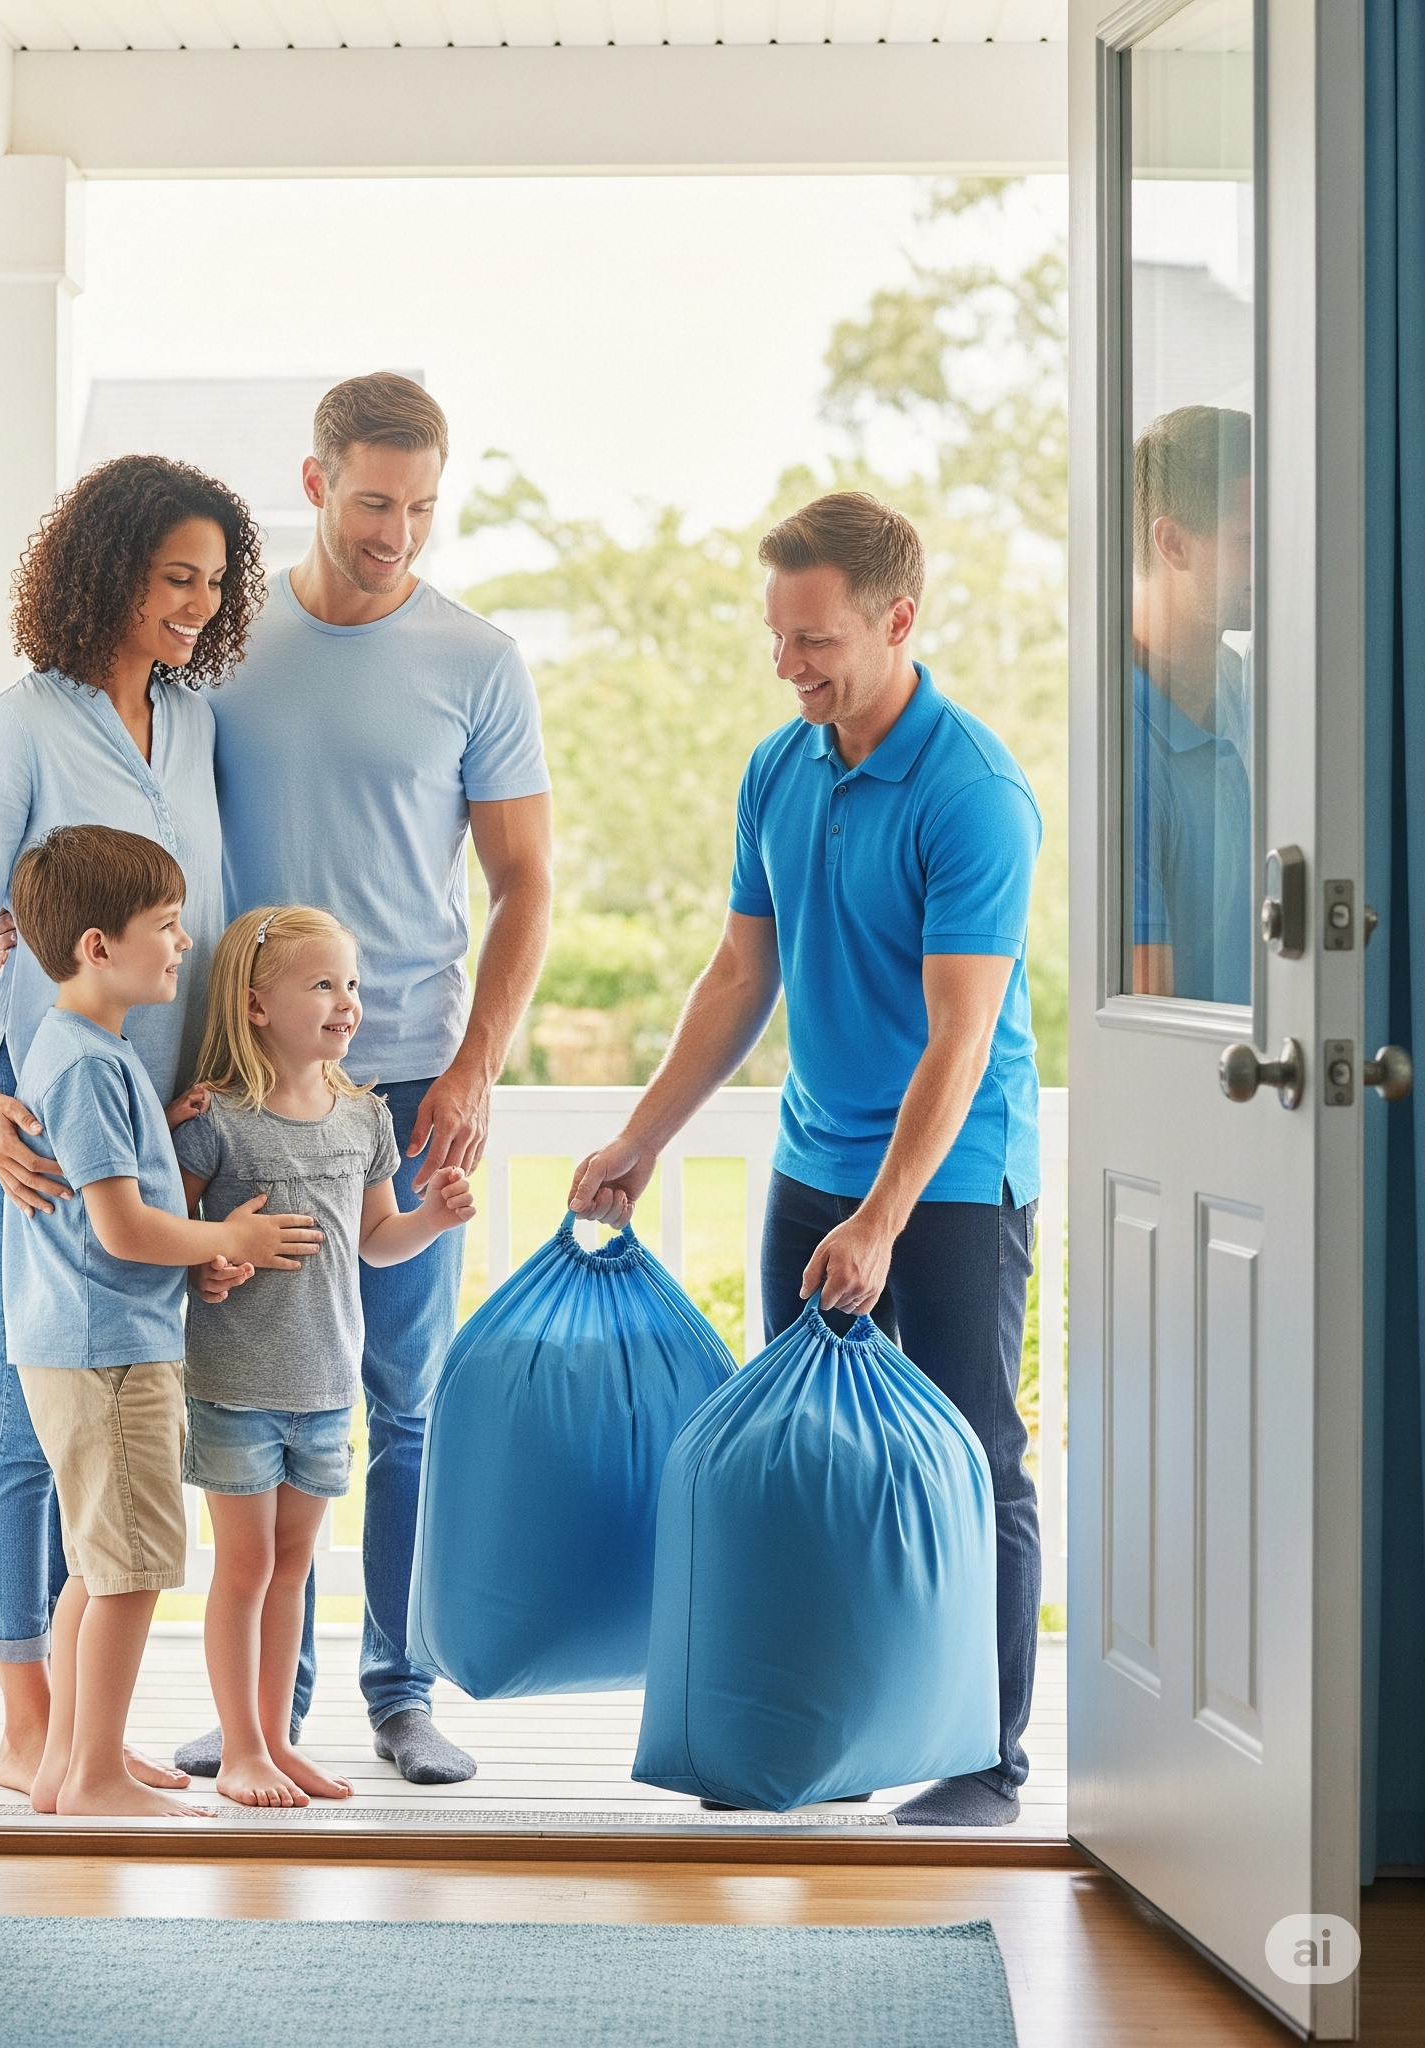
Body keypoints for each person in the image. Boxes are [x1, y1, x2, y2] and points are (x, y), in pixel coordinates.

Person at [568, 492, 1043, 1829]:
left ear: (898, 622)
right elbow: (739, 974)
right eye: (775, 636)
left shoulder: (973, 793)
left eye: (815, 640)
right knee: (809, 1453)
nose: (787, 665)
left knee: (969, 1456)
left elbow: (959, 1038)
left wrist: (883, 1217)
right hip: (813, 1158)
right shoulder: (780, 769)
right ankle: (826, 1732)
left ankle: (984, 1760)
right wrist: (640, 1139)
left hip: (950, 1177)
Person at [179, 373, 554, 1788]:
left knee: (400, 1400)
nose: (396, 531)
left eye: (422, 505)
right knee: (246, 1393)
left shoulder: (478, 660)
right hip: (238, 1087)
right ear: (316, 482)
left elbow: (525, 883)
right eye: (374, 500)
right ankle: (261, 1712)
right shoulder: (224, 644)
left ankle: (400, 1693)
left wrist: (474, 1067)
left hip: (401, 1084)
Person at [0, 456, 263, 1796]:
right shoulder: (18, 728)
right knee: (28, 1410)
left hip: (154, 1128)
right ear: (106, 575)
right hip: (36, 1133)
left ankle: (84, 1731)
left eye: (213, 582)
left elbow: (203, 920)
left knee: (119, 1408)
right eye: (173, 578)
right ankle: (27, 1719)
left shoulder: (193, 723)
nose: (196, 604)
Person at [3, 825, 322, 1817]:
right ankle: (95, 1776)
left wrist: (172, 1155)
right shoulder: (90, 1067)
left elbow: (124, 1195)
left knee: (95, 1567)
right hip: (109, 1353)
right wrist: (229, 1232)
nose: (185, 943)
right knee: (132, 1571)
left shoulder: (84, 1051)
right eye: (168, 925)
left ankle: (66, 1763)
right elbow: (124, 1227)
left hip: (80, 1343)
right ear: (98, 946)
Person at [173, 907, 475, 1809]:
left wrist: (433, 1219)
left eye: (351, 984)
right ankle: (243, 1747)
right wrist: (212, 1262)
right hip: (236, 1388)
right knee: (244, 1570)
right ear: (256, 1004)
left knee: (292, 1568)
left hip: (325, 1389)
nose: (347, 1002)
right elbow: (176, 1239)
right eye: (322, 984)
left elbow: (378, 1240)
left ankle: (274, 1742)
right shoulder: (217, 1122)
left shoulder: (365, 1117)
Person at [1128, 405, 1255, 1003]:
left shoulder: (1250, 688)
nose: (1279, 561)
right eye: (1250, 542)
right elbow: (1146, 1017)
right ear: (1174, 543)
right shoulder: (1121, 747)